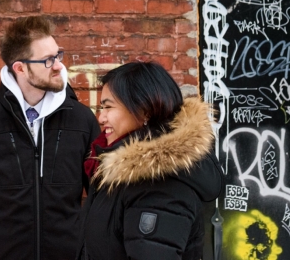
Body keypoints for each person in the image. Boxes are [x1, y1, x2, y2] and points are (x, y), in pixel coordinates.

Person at [0, 16, 100, 260]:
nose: (58, 65)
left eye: (58, 56)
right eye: (48, 60)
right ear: (20, 68)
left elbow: (103, 198)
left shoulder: (81, 121)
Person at [79, 61, 223, 260]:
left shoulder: (160, 183)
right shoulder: (122, 171)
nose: (101, 117)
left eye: (108, 107)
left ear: (145, 110)